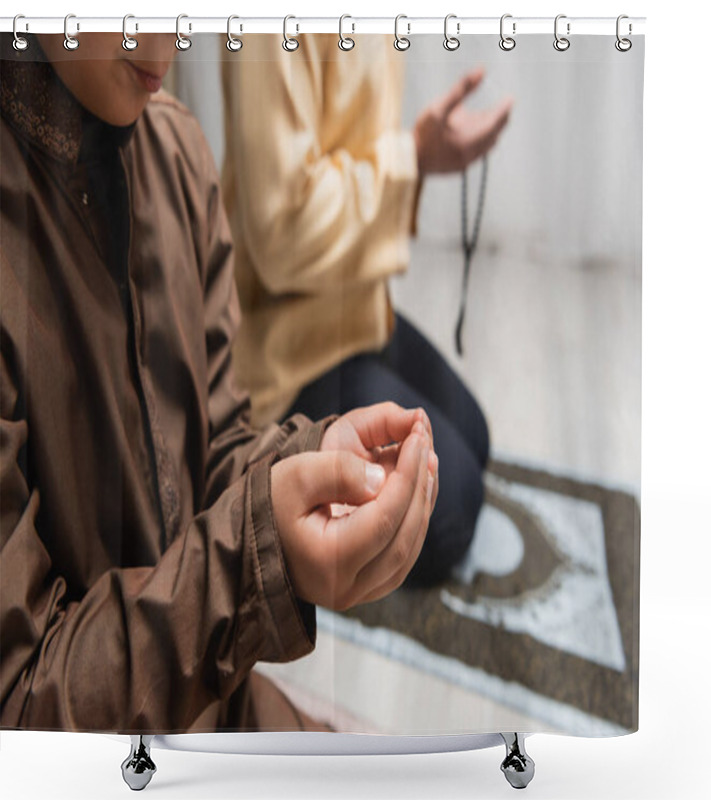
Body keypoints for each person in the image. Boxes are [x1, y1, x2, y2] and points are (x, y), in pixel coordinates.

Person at [0, 32, 438, 733]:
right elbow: (21, 707)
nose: (173, 35)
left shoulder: (173, 151)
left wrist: (314, 462)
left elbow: (216, 446)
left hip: (208, 695)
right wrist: (254, 558)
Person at [221, 34, 512, 586]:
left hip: (357, 308)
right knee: (452, 512)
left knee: (476, 439)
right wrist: (413, 157)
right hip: (287, 347)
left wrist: (421, 155)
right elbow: (283, 231)